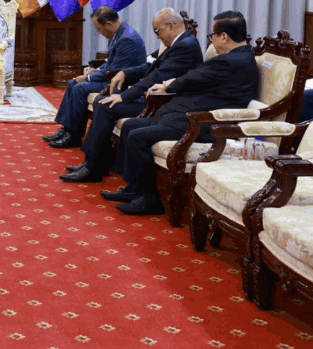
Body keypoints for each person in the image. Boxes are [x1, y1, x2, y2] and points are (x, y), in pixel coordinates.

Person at [106, 11, 260, 215]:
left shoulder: (234, 60)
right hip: (185, 116)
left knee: (137, 136)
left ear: (223, 36)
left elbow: (194, 77)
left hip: (204, 124)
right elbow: (199, 77)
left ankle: (149, 200)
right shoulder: (236, 57)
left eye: (212, 36)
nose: (211, 41)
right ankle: (134, 189)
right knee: (130, 125)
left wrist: (169, 85)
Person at [60, 8, 203, 183]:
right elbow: (151, 65)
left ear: (171, 26)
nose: (157, 36)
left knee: (105, 105)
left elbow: (157, 76)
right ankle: (93, 163)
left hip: (164, 103)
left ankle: (93, 167)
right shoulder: (179, 42)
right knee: (104, 103)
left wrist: (124, 96)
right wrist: (126, 73)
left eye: (157, 31)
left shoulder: (185, 46)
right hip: (156, 97)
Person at [45, 6, 146, 148]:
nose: (100, 33)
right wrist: (95, 70)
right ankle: (67, 130)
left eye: (99, 29)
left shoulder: (127, 40)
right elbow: (110, 64)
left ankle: (74, 136)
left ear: (108, 24)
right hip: (112, 78)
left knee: (80, 88)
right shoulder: (118, 33)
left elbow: (115, 71)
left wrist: (88, 78)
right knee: (73, 83)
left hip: (122, 85)